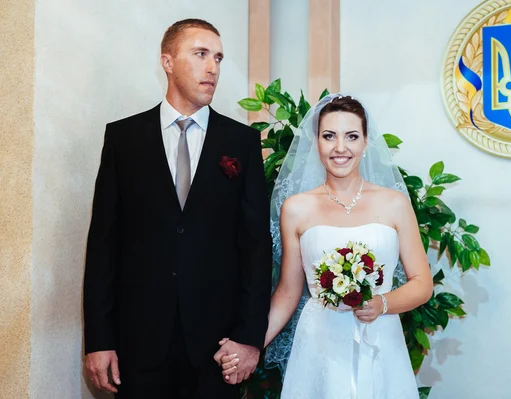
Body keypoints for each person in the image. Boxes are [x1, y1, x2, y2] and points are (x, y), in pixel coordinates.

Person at [83, 18, 272, 399]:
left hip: (218, 348)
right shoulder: (124, 139)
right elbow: (104, 243)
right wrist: (99, 340)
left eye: (218, 57)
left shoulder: (243, 142)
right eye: (200, 54)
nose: (213, 67)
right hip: (138, 343)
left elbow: (256, 248)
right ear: (167, 62)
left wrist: (250, 339)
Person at [219, 94, 433, 397]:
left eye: (352, 136)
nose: (340, 148)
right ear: (316, 141)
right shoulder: (296, 208)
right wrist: (249, 344)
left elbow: (423, 283)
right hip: (320, 345)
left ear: (366, 142)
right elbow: (289, 291)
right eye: (329, 136)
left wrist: (380, 305)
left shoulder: (394, 203)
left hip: (380, 338)